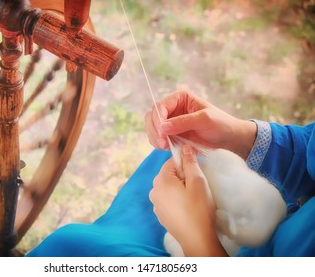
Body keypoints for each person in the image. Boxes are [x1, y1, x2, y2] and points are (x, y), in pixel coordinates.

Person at [26, 90, 315, 257]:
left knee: (69, 247)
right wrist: (238, 136)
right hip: (254, 225)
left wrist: (198, 239)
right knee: (172, 154)